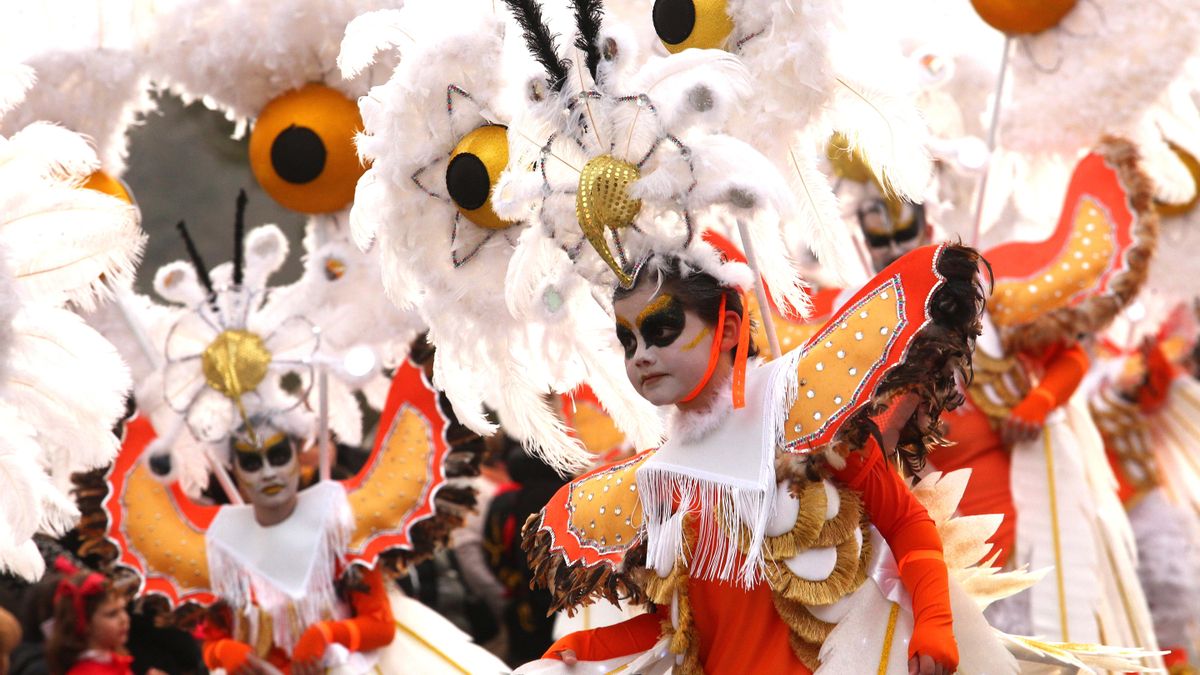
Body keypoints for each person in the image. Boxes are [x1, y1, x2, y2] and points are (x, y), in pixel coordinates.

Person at [518, 243, 1020, 674]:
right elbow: (676, 628)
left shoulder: (809, 423)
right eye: (629, 341)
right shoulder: (658, 481)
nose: (641, 355)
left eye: (662, 329)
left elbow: (906, 524)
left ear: (729, 329)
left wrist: (934, 620)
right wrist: (575, 652)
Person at [45, 569, 164, 675]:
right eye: (112, 614)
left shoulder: (114, 662)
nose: (124, 619)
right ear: (85, 623)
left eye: (123, 609)